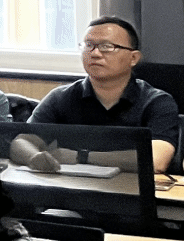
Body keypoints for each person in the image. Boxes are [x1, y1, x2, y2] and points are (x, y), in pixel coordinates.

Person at [32, 15, 179, 173]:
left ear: (133, 58)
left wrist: (81, 156)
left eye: (106, 46)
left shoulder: (157, 102)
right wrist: (34, 157)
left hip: (130, 187)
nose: (95, 53)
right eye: (89, 45)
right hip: (70, 185)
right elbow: (21, 140)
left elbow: (157, 161)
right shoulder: (60, 97)